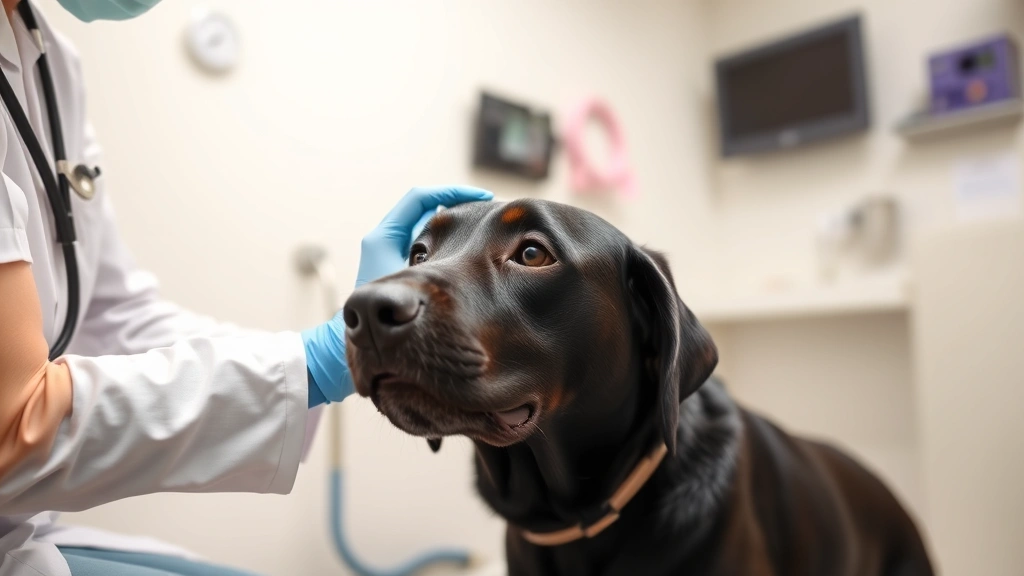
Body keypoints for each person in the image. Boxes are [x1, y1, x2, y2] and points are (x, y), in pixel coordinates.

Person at [0, 0, 493, 574]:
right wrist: (318, 360)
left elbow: (118, 316)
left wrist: (315, 355)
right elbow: (14, 426)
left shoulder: (52, 61)